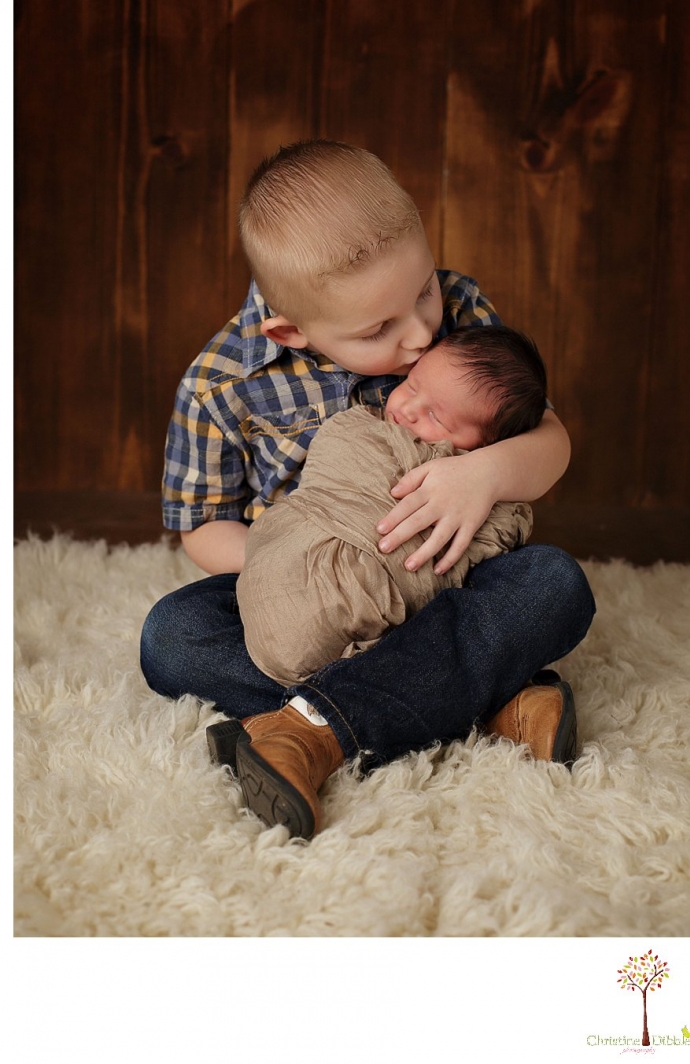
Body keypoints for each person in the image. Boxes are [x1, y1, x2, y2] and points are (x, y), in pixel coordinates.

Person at [140, 139, 596, 840]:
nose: (419, 335)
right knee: (173, 638)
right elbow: (200, 523)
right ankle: (481, 696)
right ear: (292, 330)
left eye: (423, 291)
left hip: (441, 579)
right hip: (304, 596)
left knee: (553, 583)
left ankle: (307, 728)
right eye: (380, 328)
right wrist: (290, 557)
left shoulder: (461, 306)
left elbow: (551, 441)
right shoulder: (219, 384)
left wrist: (482, 474)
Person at [234, 325, 544, 686]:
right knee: (182, 628)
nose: (408, 409)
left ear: (486, 443)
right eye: (411, 385)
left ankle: (327, 702)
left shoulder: (464, 322)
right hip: (283, 569)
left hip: (403, 622)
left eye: (436, 417)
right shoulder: (361, 424)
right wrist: (283, 562)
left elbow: (495, 534)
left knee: (552, 578)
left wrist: (482, 474)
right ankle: (406, 697)